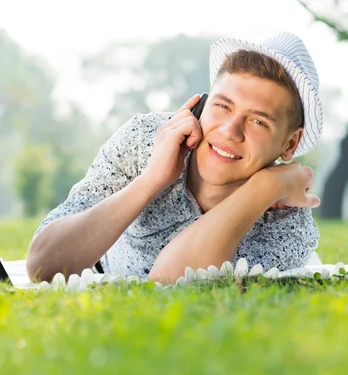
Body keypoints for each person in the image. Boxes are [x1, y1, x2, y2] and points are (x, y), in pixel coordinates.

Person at [26, 32, 324, 285]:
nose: (230, 131)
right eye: (222, 106)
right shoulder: (145, 139)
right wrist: (152, 179)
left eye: (259, 122)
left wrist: (263, 189)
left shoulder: (289, 223)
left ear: (291, 144)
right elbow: (43, 266)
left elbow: (169, 284)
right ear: (202, 105)